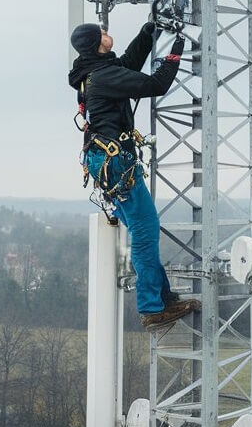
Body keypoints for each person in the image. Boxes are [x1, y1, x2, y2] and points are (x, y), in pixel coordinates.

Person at [68, 20, 198, 330]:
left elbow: (127, 65)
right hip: (115, 162)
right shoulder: (103, 75)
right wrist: (175, 55)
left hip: (107, 161)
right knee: (144, 230)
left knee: (143, 229)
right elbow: (156, 85)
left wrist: (147, 35)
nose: (105, 31)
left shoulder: (95, 72)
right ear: (96, 42)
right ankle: (152, 306)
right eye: (101, 31)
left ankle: (162, 298)